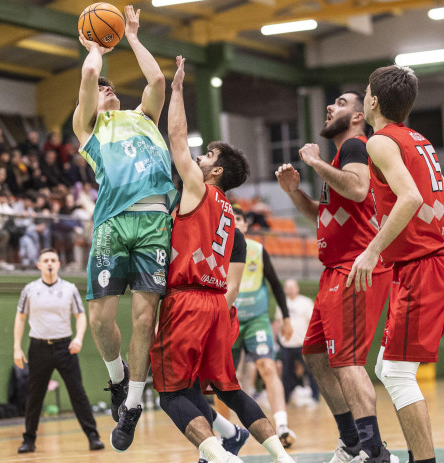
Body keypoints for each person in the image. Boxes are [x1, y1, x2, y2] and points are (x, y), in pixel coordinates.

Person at [150, 55, 294, 463]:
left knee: (172, 395)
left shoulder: (198, 190)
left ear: (215, 173)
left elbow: (177, 139)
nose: (200, 156)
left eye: (208, 154)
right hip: (217, 307)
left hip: (189, 300)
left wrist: (176, 90)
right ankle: (282, 457)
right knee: (230, 390)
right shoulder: (230, 213)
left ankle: (221, 457)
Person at [73, 5, 178, 452]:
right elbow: (87, 80)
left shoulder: (143, 118)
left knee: (143, 317)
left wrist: (132, 36)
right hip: (112, 223)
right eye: (99, 90)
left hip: (154, 219)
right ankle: (118, 381)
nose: (105, 89)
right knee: (99, 316)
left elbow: (158, 82)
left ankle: (133, 404)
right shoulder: (88, 128)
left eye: (110, 87)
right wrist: (95, 48)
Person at [276, 90, 399, 463]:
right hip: (335, 270)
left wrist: (313, 163)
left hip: (355, 268)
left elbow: (359, 188)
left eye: (342, 104)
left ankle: (374, 451)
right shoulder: (341, 158)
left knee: (346, 361)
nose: (331, 107)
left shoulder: (356, 148)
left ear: (359, 116)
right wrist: (296, 193)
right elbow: (325, 213)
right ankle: (351, 442)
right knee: (314, 354)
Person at [347, 65, 444, 463]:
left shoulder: (380, 142)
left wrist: (372, 249)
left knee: (394, 374)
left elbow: (410, 197)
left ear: (374, 100)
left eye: (364, 91)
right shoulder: (420, 140)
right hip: (428, 263)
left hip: (421, 267)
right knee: (388, 367)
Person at [13, 248, 104, 453]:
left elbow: (81, 316)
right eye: (45, 260)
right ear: (39, 265)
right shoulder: (29, 289)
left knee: (78, 393)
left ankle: (93, 437)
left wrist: (79, 338)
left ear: (59, 264)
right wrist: (17, 348)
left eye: (53, 259)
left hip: (65, 348)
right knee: (35, 396)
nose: (49, 263)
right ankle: (29, 440)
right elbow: (20, 319)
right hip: (38, 347)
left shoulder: (70, 288)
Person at [231, 211, 296, 447]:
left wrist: (286, 317)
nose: (236, 223)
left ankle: (281, 425)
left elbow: (276, 285)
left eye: (239, 219)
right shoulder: (218, 250)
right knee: (221, 377)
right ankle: (225, 431)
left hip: (256, 320)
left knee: (267, 366)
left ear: (246, 225)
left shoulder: (257, 250)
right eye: (232, 219)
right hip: (228, 319)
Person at [273, 279, 318, 406]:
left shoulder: (306, 302)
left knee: (311, 370)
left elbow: (312, 322)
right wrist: (276, 340)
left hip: (303, 343)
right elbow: (278, 322)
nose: (290, 289)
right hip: (286, 344)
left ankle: (315, 397)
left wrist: (313, 340)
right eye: (287, 287)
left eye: (292, 287)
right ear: (285, 290)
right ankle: (286, 398)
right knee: (286, 372)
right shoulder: (282, 304)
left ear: (297, 288)